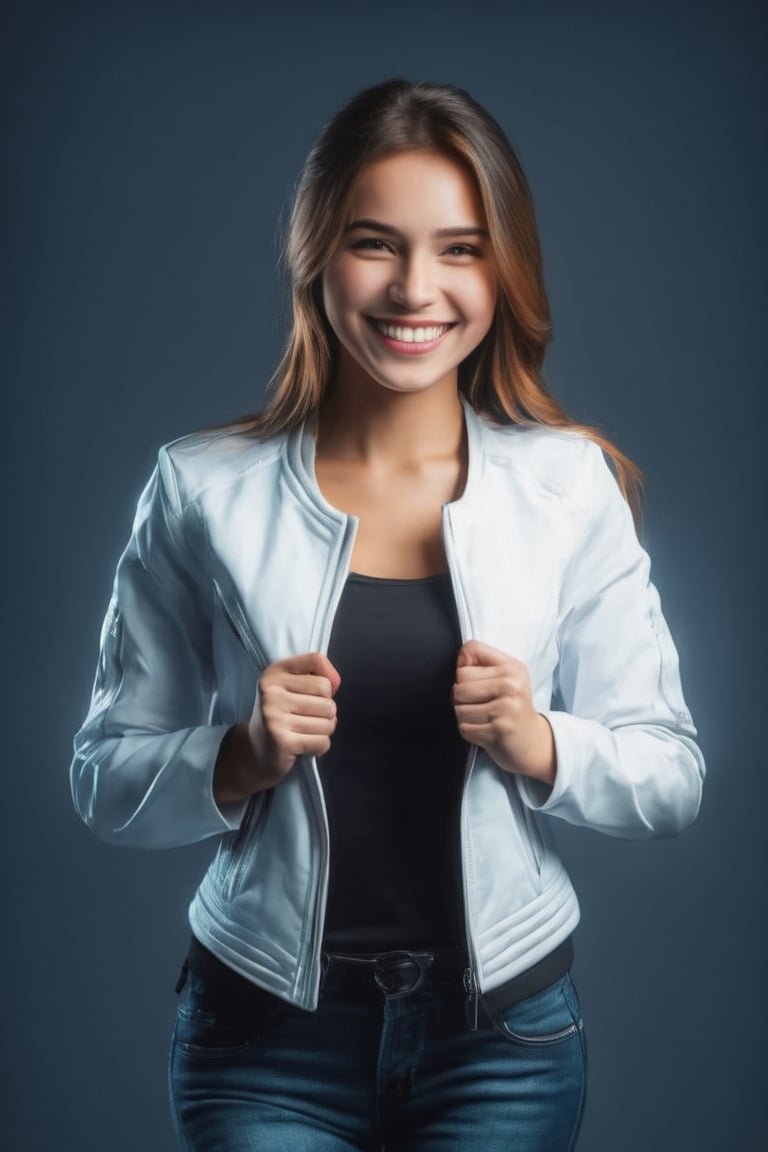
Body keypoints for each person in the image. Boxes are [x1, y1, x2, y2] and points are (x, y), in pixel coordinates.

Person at [70, 79, 705, 1152]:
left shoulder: (568, 489)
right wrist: (238, 753)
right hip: (260, 1038)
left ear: (502, 270)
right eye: (377, 243)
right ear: (318, 256)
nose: (417, 287)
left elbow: (671, 774)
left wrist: (540, 741)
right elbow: (103, 777)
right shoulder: (201, 490)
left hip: (504, 1042)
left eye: (460, 248)